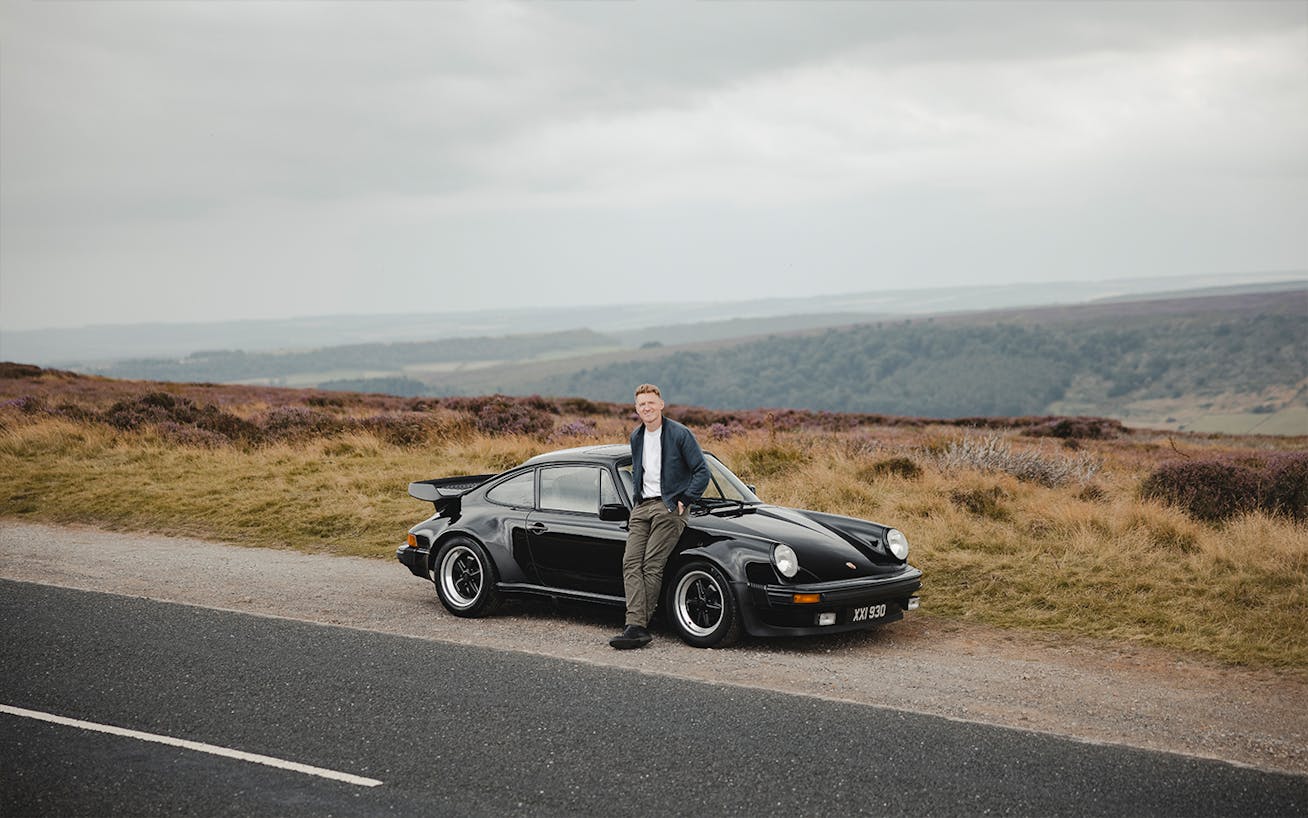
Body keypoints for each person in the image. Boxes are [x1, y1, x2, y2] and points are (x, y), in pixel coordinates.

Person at [610, 384, 710, 650]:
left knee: (651, 565)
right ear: (636, 409)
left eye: (651, 403)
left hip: (669, 507)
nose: (647, 408)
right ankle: (636, 625)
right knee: (630, 562)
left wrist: (685, 500)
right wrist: (635, 502)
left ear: (661, 404)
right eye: (641, 404)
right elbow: (638, 472)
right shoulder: (637, 436)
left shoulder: (679, 434)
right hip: (642, 507)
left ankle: (637, 626)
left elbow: (702, 471)